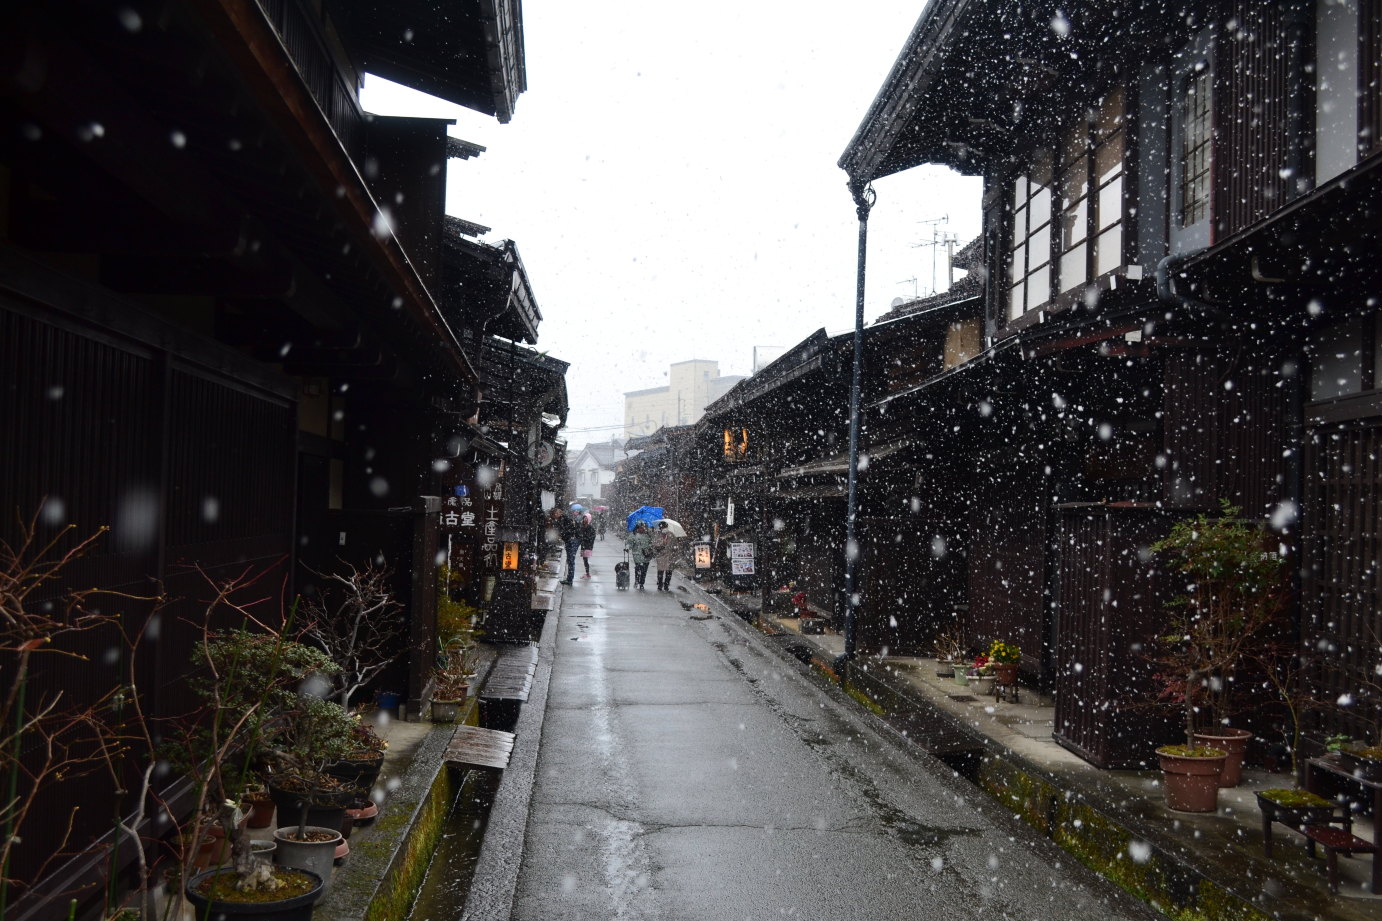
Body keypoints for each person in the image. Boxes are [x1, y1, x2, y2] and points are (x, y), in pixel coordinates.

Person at [625, 521, 655, 590]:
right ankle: (637, 580)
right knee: (638, 569)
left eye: (643, 527)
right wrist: (627, 547)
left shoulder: (648, 535)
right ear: (637, 528)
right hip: (637, 556)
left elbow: (652, 542)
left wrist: (650, 547)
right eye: (641, 528)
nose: (642, 529)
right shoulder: (633, 535)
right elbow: (629, 543)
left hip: (646, 555)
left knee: (644, 571)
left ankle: (641, 583)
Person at [556, 508, 581, 585]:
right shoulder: (563, 519)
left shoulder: (565, 519)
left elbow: (569, 529)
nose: (555, 515)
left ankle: (570, 579)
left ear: (560, 513)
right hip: (571, 540)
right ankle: (569, 578)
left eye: (556, 513)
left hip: (572, 541)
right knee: (570, 560)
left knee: (571, 560)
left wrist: (564, 535)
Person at [651, 521, 677, 591]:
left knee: (669, 572)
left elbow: (675, 545)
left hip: (670, 556)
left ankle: (666, 585)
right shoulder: (658, 535)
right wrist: (660, 546)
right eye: (662, 527)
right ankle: (660, 585)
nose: (663, 528)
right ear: (660, 528)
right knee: (660, 571)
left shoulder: (671, 535)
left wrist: (673, 553)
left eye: (665, 527)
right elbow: (654, 545)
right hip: (661, 556)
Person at [578, 512, 597, 579]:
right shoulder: (582, 526)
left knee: (585, 559)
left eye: (586, 518)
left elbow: (592, 536)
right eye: (584, 518)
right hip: (583, 545)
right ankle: (587, 573)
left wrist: (586, 539)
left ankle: (587, 573)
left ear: (589, 519)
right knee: (584, 560)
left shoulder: (590, 527)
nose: (585, 519)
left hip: (588, 545)